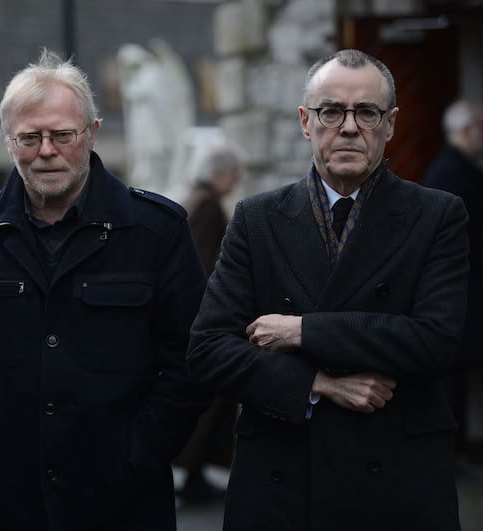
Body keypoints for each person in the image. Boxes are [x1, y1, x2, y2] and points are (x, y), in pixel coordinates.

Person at [187, 49, 468, 530]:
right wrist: (318, 384)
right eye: (331, 111)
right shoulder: (256, 219)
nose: (349, 126)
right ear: (305, 121)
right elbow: (209, 349)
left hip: (398, 483)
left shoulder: (437, 216)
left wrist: (302, 331)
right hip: (282, 481)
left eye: (367, 112)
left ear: (391, 124)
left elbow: (433, 342)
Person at [0, 49, 208, 531]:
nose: (46, 150)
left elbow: (191, 357)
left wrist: (137, 454)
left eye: (62, 135)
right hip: (11, 504)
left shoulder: (155, 231)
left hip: (129, 505)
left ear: (93, 133)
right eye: (29, 137)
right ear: (9, 140)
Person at [173, 139, 241, 503]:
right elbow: (204, 264)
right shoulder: (208, 206)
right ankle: (188, 475)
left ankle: (194, 475)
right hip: (207, 321)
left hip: (202, 320)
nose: (237, 179)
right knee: (209, 403)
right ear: (219, 174)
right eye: (233, 173)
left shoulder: (198, 201)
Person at [422, 98, 483, 462]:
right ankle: (446, 452)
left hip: (470, 291)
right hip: (461, 293)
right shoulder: (450, 174)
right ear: (467, 132)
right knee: (451, 375)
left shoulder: (463, 171)